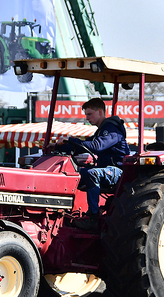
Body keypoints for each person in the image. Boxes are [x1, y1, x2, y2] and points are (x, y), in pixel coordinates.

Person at [48, 97, 129, 230]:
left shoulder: (112, 130)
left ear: (100, 112)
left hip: (118, 171)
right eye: (86, 114)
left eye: (89, 114)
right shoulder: (101, 132)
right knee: (73, 175)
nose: (87, 118)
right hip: (106, 169)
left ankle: (93, 217)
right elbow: (84, 146)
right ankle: (64, 212)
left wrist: (70, 139)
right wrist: (58, 147)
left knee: (92, 173)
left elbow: (96, 146)